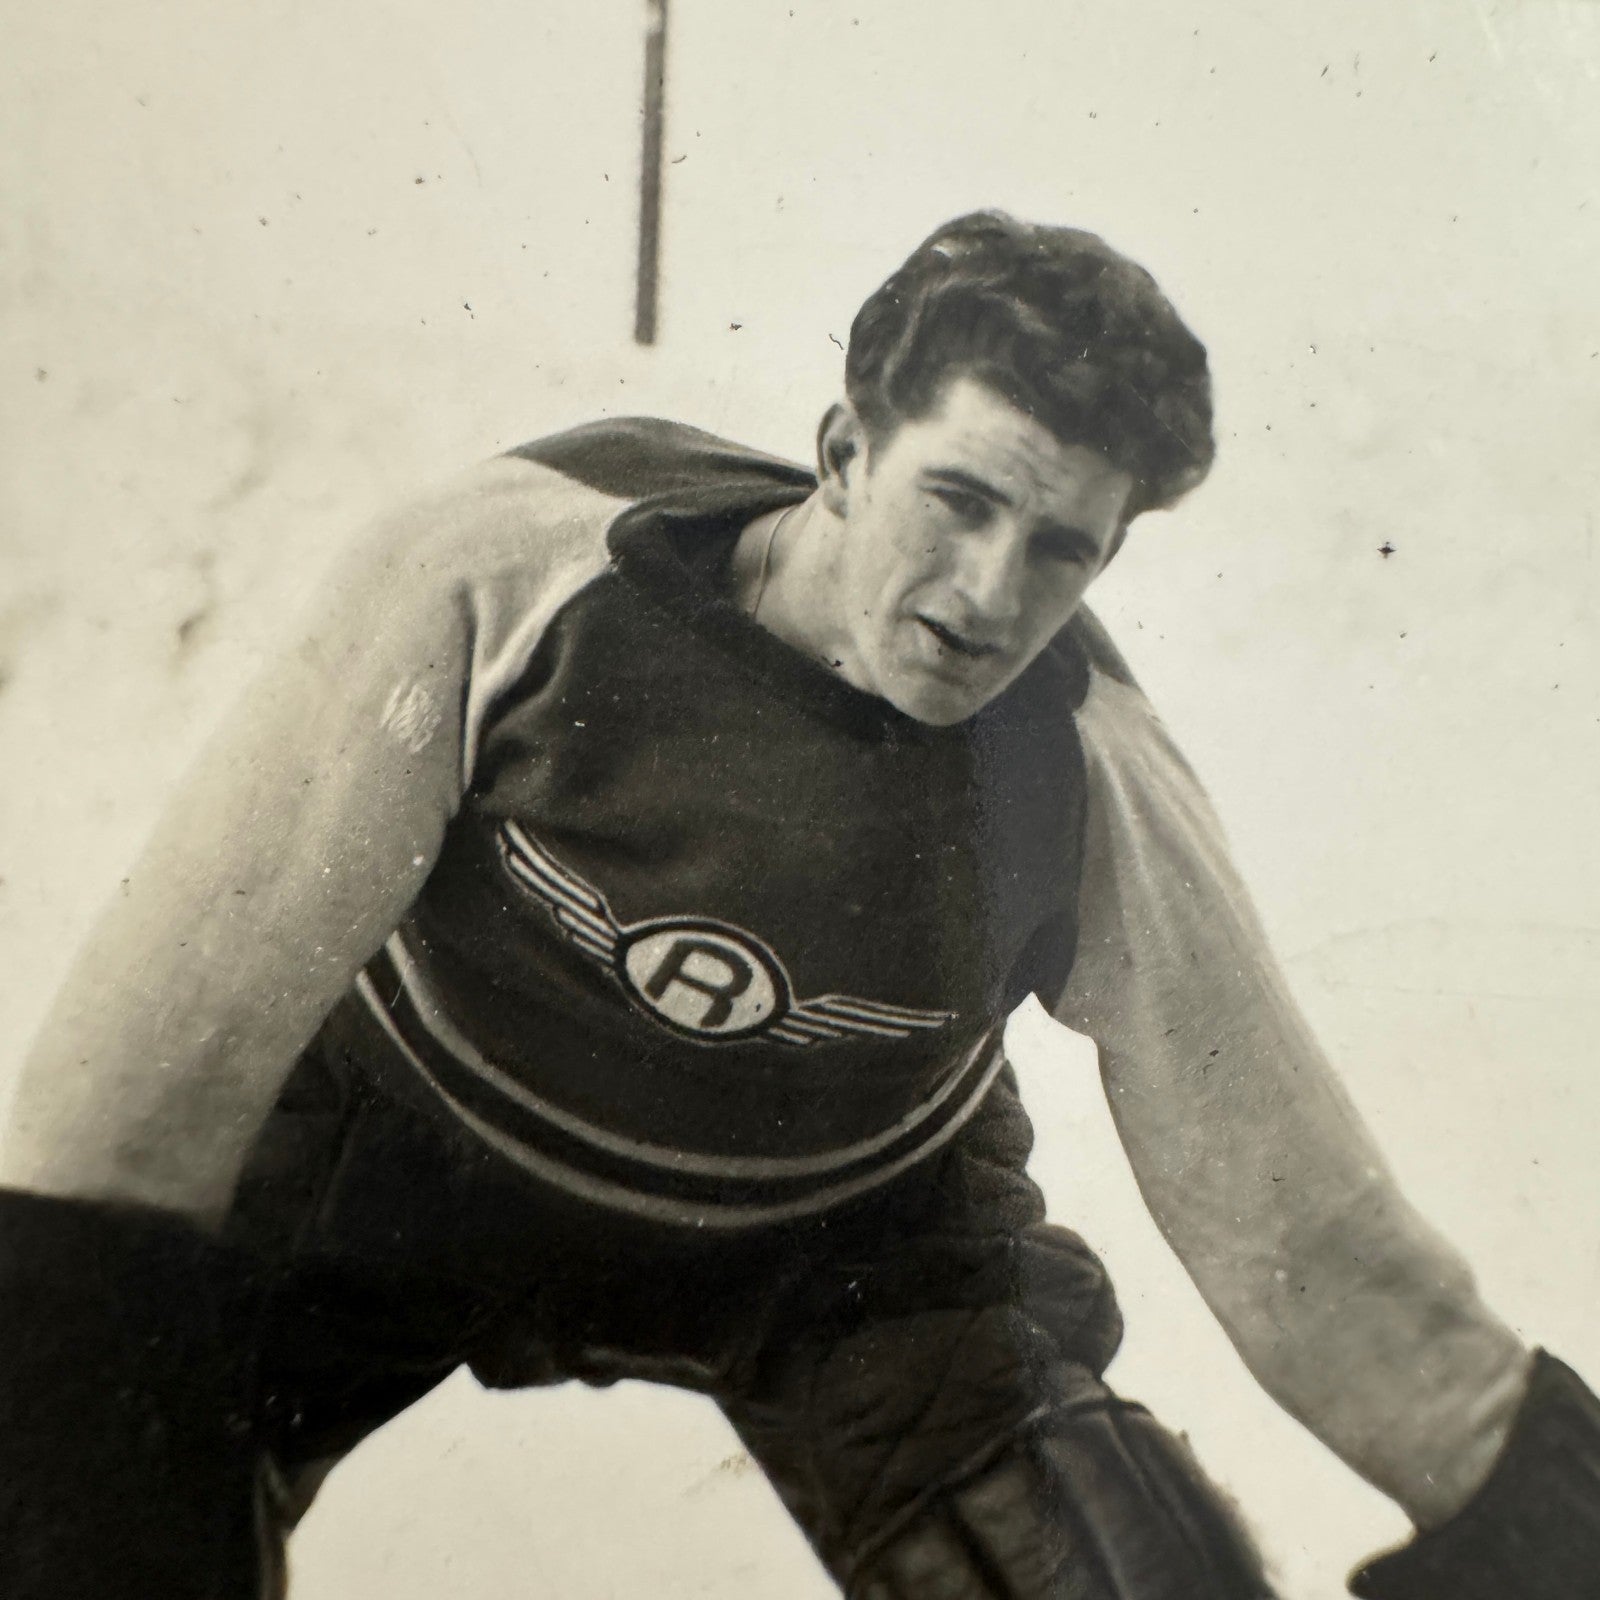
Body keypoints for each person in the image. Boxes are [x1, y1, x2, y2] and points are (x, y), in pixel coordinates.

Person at [0, 210, 1593, 1600]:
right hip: (398, 1163)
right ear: (843, 451)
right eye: (958, 501)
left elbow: (1308, 1235)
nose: (989, 596)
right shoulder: (510, 571)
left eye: (1059, 550)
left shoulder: (1085, 765)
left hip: (849, 1246)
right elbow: (125, 1114)